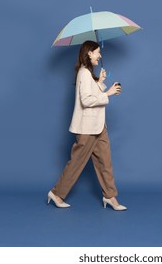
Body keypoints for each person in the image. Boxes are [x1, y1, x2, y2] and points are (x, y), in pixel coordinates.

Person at [47, 40, 126, 211]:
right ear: (89, 53)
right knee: (77, 163)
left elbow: (91, 92)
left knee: (105, 162)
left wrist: (101, 81)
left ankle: (110, 196)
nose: (100, 55)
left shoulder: (89, 74)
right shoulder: (83, 73)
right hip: (87, 128)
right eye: (97, 52)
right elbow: (86, 100)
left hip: (99, 126)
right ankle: (56, 193)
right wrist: (108, 94)